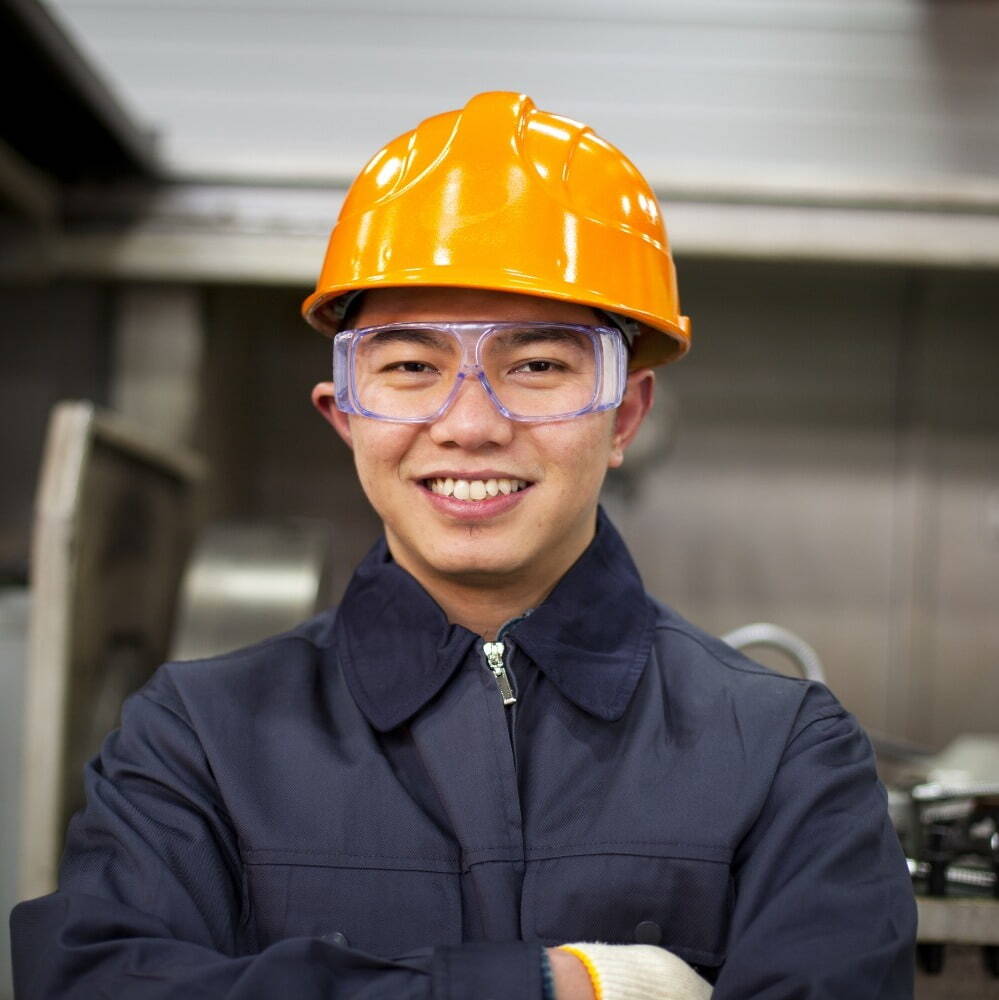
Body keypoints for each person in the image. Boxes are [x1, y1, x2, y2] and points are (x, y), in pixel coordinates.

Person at [11, 91, 916, 999]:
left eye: (537, 365)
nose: (471, 425)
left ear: (624, 415)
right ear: (344, 415)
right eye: (410, 368)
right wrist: (555, 986)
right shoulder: (197, 738)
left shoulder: (784, 752)